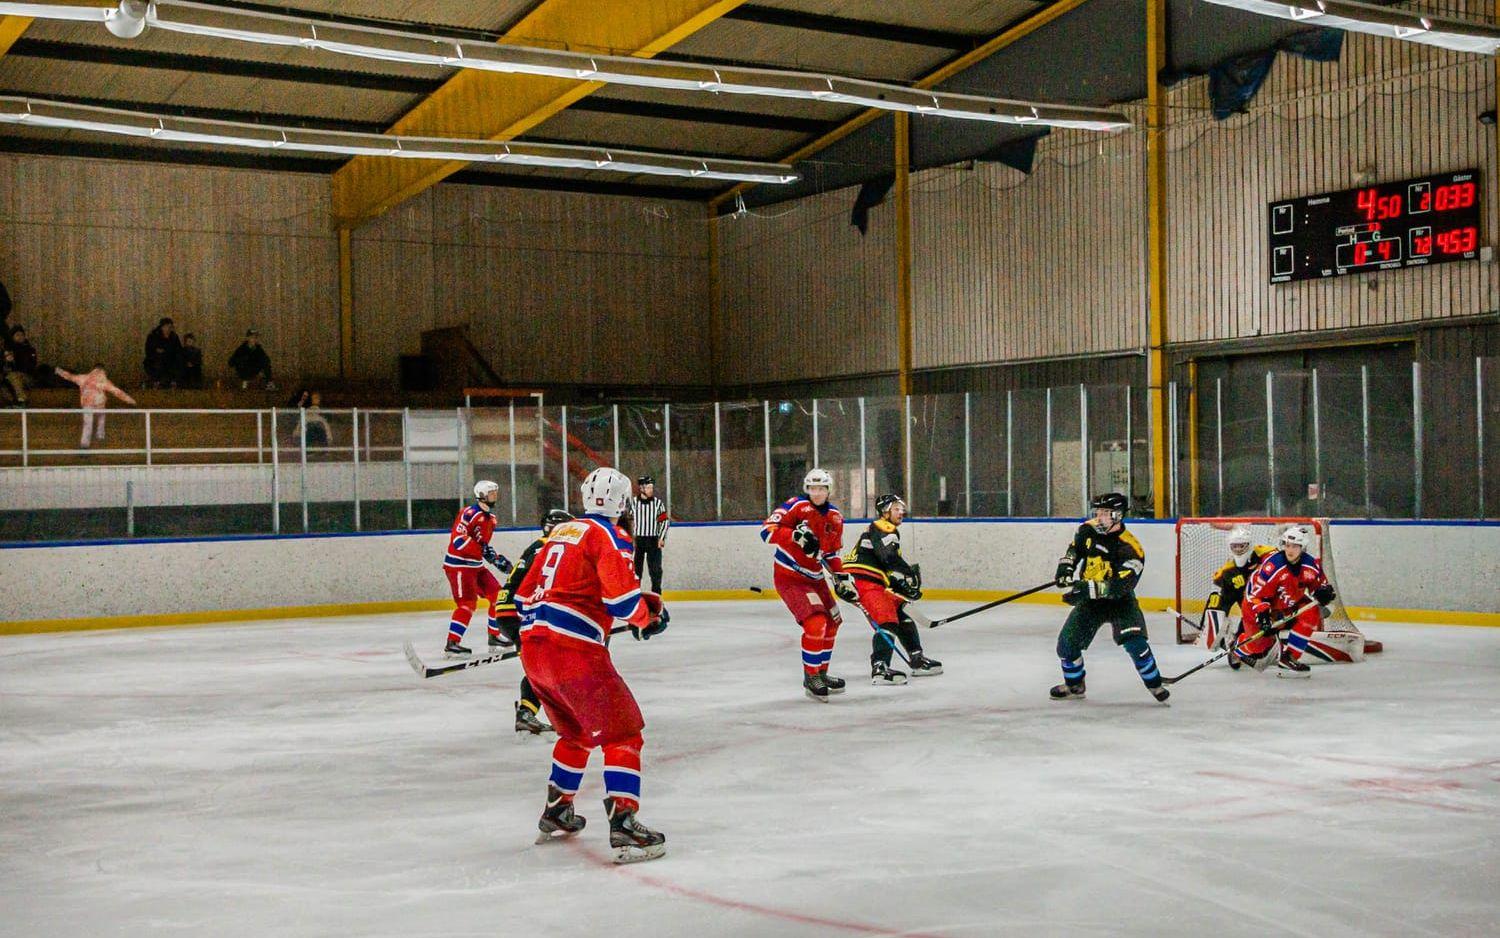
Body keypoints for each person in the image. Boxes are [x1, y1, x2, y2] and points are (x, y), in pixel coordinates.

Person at [516, 467, 669, 864]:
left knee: (577, 734)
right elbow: (620, 601)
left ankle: (558, 809)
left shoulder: (558, 535)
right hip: (575, 654)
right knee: (624, 733)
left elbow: (521, 598)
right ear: (623, 503)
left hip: (534, 653)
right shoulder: (609, 535)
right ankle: (624, 823)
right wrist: (646, 617)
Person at [1050, 492, 1168, 703]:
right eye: (1098, 512)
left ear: (1119, 515)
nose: (1099, 517)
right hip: (1091, 603)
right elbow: (1074, 551)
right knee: (1066, 645)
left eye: (1105, 513)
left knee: (1136, 643)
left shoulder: (1130, 548)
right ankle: (1075, 685)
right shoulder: (1087, 529)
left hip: (1120, 602)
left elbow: (1121, 586)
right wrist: (1065, 568)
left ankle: (1154, 684)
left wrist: (1084, 589)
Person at [762, 468, 856, 701]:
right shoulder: (795, 506)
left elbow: (830, 553)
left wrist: (841, 575)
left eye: (821, 488)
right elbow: (766, 531)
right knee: (816, 623)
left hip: (815, 578)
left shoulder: (835, 517)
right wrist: (794, 536)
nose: (817, 493)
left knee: (834, 622)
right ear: (807, 489)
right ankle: (811, 676)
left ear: (828, 490)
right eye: (812, 488)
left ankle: (821, 672)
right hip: (790, 576)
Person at [492, 508, 573, 735]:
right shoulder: (548, 548)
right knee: (544, 667)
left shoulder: (542, 545)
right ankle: (528, 714)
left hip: (510, 612)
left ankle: (528, 712)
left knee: (544, 665)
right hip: (516, 614)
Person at [843, 493, 940, 685]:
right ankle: (880, 668)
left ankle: (917, 659)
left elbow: (882, 565)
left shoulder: (882, 531)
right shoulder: (883, 527)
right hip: (865, 584)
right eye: (896, 508)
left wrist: (899, 586)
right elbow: (889, 557)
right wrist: (908, 573)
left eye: (901, 508)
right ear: (885, 512)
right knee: (888, 621)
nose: (901, 511)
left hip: (875, 584)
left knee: (903, 617)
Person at [1236, 526, 1338, 677]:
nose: (1290, 550)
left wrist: (1324, 593)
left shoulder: (1311, 565)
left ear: (1302, 547)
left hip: (1287, 606)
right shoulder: (1273, 566)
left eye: (1295, 546)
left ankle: (1288, 657)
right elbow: (1254, 594)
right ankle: (1237, 647)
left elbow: (1320, 586)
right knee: (1259, 649)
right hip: (1256, 607)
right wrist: (1263, 614)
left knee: (1312, 612)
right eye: (1287, 545)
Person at [440, 480, 512, 656]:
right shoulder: (468, 513)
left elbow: (483, 546)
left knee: (498, 596)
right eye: (491, 493)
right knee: (467, 605)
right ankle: (452, 643)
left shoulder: (491, 519)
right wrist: (485, 552)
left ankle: (494, 636)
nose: (495, 496)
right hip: (459, 566)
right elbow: (458, 540)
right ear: (481, 495)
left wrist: (495, 559)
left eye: (495, 493)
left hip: (476, 565)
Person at [1196, 526, 1276, 651]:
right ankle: (1225, 635)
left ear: (1249, 545)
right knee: (1218, 602)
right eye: (1235, 546)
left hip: (1261, 598)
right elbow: (1215, 598)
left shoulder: (1266, 554)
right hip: (1243, 599)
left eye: (1241, 546)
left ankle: (1244, 639)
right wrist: (1206, 624)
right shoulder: (1226, 571)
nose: (1238, 549)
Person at [54, 363, 137, 448]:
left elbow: (70, 376)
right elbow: (118, 392)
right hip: (99, 404)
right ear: (103, 370)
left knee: (87, 424)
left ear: (93, 369)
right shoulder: (104, 380)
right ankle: (100, 436)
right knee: (101, 417)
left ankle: (84, 445)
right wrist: (131, 400)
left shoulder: (83, 378)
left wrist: (59, 371)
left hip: (87, 404)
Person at [630, 475, 670, 594]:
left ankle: (657, 593)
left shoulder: (658, 504)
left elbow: (664, 521)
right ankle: (635, 593)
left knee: (656, 569)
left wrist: (661, 538)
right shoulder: (633, 503)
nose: (651, 490)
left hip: (653, 540)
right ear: (641, 488)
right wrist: (629, 538)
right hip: (639, 540)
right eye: (648, 488)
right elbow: (628, 520)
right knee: (637, 570)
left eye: (651, 488)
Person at [143, 317, 181, 388]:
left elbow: (178, 350)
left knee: (178, 360)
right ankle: (156, 381)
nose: (168, 329)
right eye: (167, 327)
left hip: (170, 359)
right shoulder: (153, 335)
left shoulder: (174, 337)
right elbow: (149, 350)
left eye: (170, 327)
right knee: (159, 360)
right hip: (155, 359)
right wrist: (158, 351)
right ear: (162, 327)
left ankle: (174, 381)